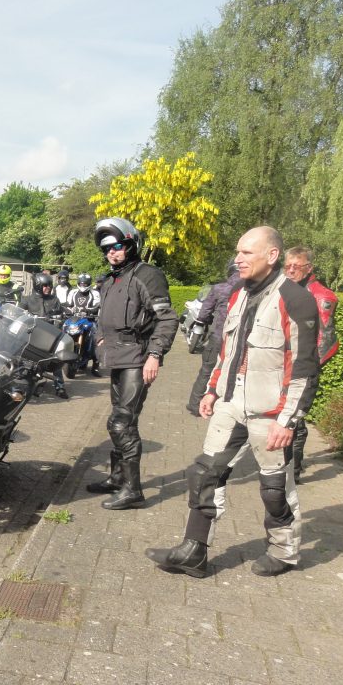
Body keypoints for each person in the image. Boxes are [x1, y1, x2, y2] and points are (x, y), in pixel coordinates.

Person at [145, 226, 320, 578]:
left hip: (269, 412)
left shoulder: (295, 299)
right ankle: (194, 551)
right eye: (237, 252)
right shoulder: (239, 293)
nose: (237, 259)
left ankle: (284, 551)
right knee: (204, 472)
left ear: (271, 256)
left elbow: (304, 367)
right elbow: (227, 350)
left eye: (246, 253)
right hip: (230, 401)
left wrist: (288, 421)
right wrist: (211, 389)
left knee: (274, 488)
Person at [85, 217, 177, 509]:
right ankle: (116, 478)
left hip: (137, 358)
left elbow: (167, 318)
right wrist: (99, 339)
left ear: (131, 244)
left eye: (117, 246)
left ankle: (133, 490)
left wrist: (155, 355)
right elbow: (102, 317)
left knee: (121, 422)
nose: (112, 252)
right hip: (116, 358)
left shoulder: (147, 275)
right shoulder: (110, 279)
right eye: (106, 249)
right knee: (120, 420)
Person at [283, 247, 338, 480]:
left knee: (295, 417)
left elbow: (326, 339)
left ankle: (292, 471)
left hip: (303, 366)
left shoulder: (321, 295)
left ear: (309, 268)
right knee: (286, 415)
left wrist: (308, 369)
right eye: (288, 266)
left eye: (297, 266)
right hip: (284, 363)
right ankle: (288, 465)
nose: (291, 270)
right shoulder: (285, 290)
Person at [185, 261, 240, 416]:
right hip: (238, 339)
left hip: (218, 336)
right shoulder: (250, 289)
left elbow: (204, 313)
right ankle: (226, 407)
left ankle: (195, 404)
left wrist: (207, 321)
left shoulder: (219, 288)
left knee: (207, 370)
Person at [20, 272, 67, 398]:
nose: (48, 288)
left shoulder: (54, 300)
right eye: (45, 285)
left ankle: (60, 386)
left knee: (56, 357)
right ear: (37, 286)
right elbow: (19, 315)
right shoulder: (26, 300)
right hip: (31, 334)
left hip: (49, 336)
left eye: (50, 286)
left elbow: (61, 315)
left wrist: (61, 316)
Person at [68, 273, 101, 376]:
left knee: (96, 339)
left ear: (89, 284)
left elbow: (97, 305)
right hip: (75, 319)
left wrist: (91, 311)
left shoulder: (95, 293)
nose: (83, 286)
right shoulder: (73, 292)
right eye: (81, 284)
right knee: (63, 330)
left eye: (85, 284)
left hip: (89, 320)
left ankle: (95, 366)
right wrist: (67, 310)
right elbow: (68, 304)